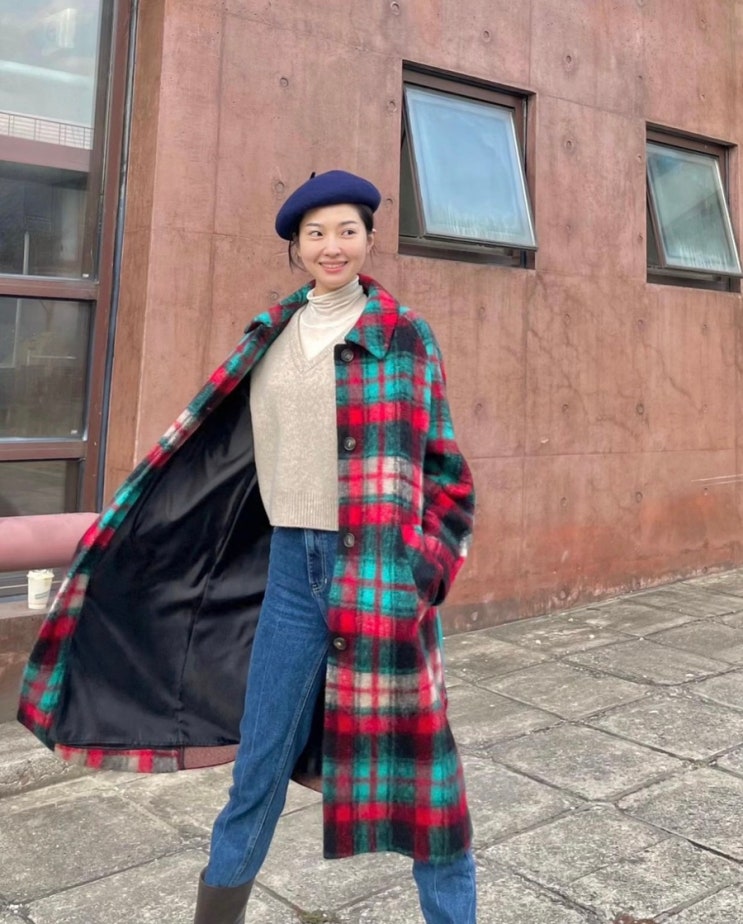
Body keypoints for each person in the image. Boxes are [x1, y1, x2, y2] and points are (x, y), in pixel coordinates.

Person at [17, 170, 476, 924]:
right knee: (256, 770)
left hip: (379, 577)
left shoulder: (403, 337)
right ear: (296, 246)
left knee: (426, 788)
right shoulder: (267, 336)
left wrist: (422, 574)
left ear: (368, 239)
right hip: (291, 576)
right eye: (316, 234)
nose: (332, 246)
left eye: (347, 230)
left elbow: (447, 476)